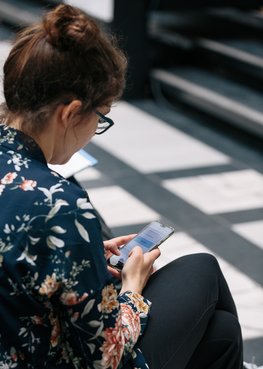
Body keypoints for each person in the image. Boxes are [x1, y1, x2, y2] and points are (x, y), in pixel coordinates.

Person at [0, 4, 243, 369]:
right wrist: (132, 287)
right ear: (70, 113)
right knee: (203, 269)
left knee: (218, 334)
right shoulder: (59, 203)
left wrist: (87, 250)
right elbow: (105, 357)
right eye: (100, 118)